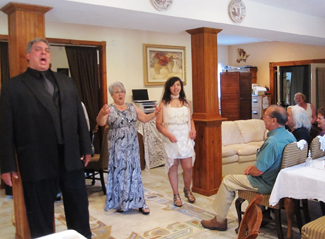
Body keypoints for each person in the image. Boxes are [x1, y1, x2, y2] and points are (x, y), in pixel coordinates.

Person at [0, 38, 92, 239]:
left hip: (70, 158)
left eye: (47, 50)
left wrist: (86, 147)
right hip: (36, 161)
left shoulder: (67, 82)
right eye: (38, 50)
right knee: (40, 214)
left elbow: (79, 117)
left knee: (79, 208)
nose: (43, 53)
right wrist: (6, 164)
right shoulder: (12, 87)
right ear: (28, 55)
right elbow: (5, 129)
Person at [201, 105, 296, 231]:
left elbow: (258, 171)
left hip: (267, 184)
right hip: (281, 182)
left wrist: (251, 170)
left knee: (228, 180)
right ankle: (258, 216)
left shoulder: (272, 142)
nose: (263, 118)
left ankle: (219, 220)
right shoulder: (290, 137)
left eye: (265, 116)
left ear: (274, 121)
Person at [96, 81, 160, 214]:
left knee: (134, 173)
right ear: (112, 95)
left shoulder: (132, 106)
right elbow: (101, 123)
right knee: (119, 174)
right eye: (116, 92)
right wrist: (102, 113)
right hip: (117, 147)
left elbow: (145, 118)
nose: (120, 94)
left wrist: (156, 112)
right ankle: (121, 202)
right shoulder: (109, 108)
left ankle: (140, 202)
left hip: (132, 146)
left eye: (122, 91)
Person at [156, 77, 196, 207]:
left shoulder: (186, 102)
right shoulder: (163, 104)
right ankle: (176, 194)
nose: (176, 87)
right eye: (173, 85)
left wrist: (193, 130)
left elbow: (191, 119)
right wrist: (168, 134)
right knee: (173, 166)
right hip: (170, 138)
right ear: (169, 88)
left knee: (188, 167)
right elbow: (159, 124)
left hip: (185, 137)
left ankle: (187, 189)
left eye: (178, 85)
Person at [285, 105, 312, 239]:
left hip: (296, 172)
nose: (286, 116)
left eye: (289, 115)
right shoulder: (293, 131)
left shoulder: (300, 134)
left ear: (296, 119)